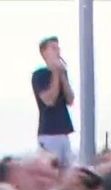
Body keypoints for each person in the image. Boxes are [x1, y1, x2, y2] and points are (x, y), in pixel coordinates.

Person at [32, 36, 75, 166]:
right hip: (49, 134)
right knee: (52, 171)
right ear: (44, 52)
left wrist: (62, 75)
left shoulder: (62, 74)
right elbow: (50, 100)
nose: (57, 51)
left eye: (58, 48)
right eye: (53, 48)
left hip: (64, 132)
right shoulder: (39, 75)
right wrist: (56, 73)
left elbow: (70, 99)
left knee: (67, 172)